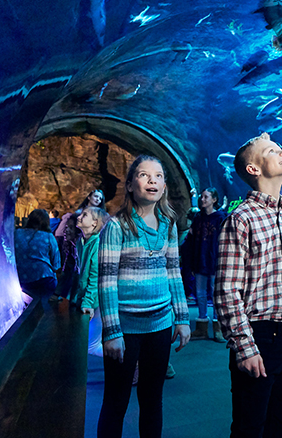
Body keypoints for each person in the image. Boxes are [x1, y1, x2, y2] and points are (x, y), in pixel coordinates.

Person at [214, 133, 282, 438]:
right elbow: (227, 291)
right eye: (272, 151)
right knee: (250, 426)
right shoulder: (240, 219)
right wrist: (245, 348)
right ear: (254, 169)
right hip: (258, 336)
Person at [97, 156, 190, 438]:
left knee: (152, 399)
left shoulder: (169, 224)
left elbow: (174, 271)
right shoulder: (116, 227)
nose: (152, 180)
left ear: (163, 186)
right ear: (129, 185)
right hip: (125, 328)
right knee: (116, 400)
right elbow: (106, 280)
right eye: (143, 175)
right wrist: (111, 332)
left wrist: (182, 318)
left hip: (160, 326)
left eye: (159, 176)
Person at [68, 205, 109, 357]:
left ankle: (131, 362)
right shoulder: (81, 242)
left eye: (84, 215)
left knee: (91, 346)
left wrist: (87, 303)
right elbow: (77, 273)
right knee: (86, 342)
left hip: (96, 299)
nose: (79, 216)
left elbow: (95, 277)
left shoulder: (97, 244)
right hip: (87, 297)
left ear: (94, 223)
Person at [52, 189, 106, 303]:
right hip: (75, 243)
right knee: (72, 268)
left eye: (100, 198)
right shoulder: (78, 214)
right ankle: (67, 297)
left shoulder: (100, 218)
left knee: (82, 272)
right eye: (96, 196)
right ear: (89, 197)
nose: (98, 200)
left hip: (86, 245)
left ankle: (76, 300)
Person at [189, 187, 228, 342]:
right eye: (202, 197)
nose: (203, 199)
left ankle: (218, 328)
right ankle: (201, 327)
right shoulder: (198, 218)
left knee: (215, 294)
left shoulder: (220, 217)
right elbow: (192, 241)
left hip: (215, 261)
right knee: (200, 293)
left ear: (214, 199)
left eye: (206, 197)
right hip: (200, 260)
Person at [14, 209, 61, 298]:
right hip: (43, 279)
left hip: (19, 279)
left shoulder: (17, 233)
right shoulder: (48, 237)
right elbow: (56, 264)